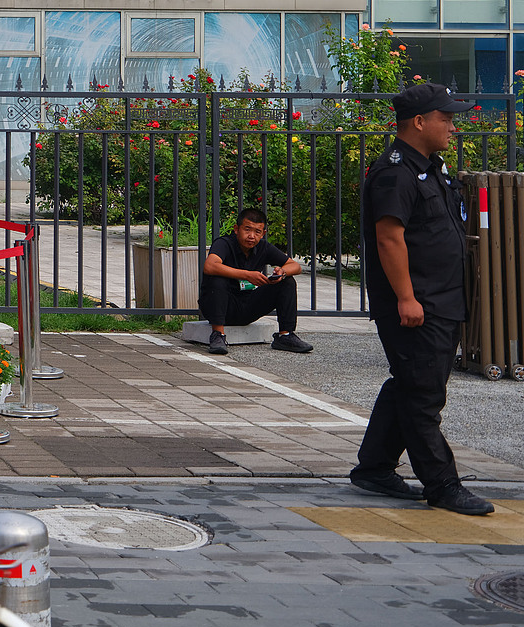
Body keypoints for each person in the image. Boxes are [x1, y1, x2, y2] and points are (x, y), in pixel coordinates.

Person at [347, 82, 494, 516]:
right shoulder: (396, 171)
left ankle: (374, 467)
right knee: (423, 396)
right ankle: (443, 484)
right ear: (419, 121)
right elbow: (389, 238)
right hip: (418, 305)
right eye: (446, 119)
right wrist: (407, 299)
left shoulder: (429, 166)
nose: (453, 127)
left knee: (411, 383)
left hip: (439, 298)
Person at [198, 207, 311, 355]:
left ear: (263, 233)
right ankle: (218, 335)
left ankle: (285, 336)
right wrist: (247, 275)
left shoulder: (263, 247)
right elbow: (210, 266)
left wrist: (282, 272)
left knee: (287, 281)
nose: (251, 236)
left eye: (257, 232)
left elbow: (295, 266)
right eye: (247, 230)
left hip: (247, 306)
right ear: (236, 229)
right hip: (221, 307)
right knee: (217, 278)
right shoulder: (224, 243)